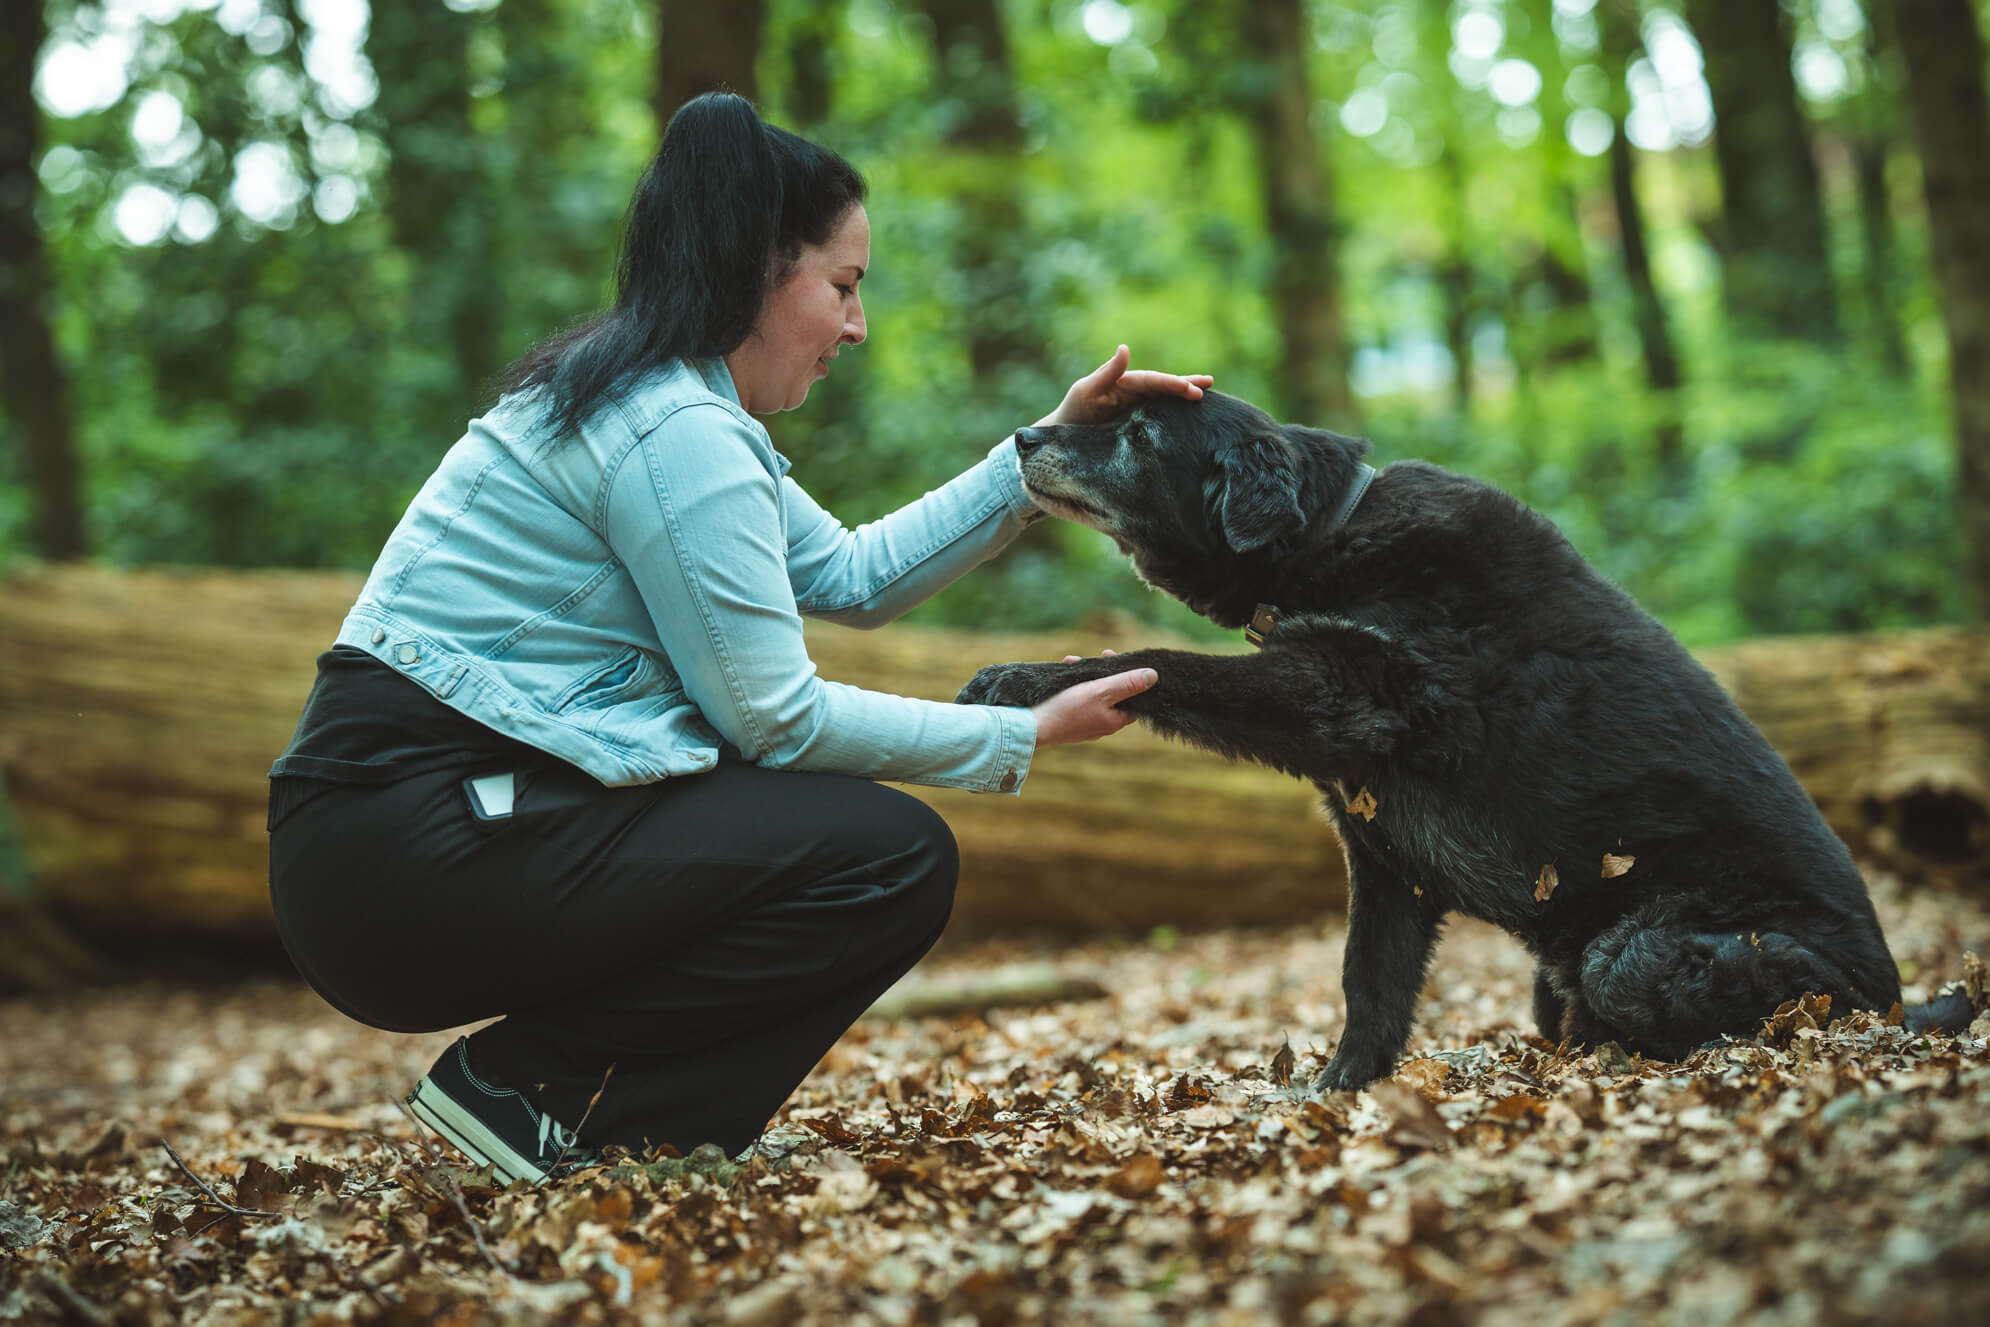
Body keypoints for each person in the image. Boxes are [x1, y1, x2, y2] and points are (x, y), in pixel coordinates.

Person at [265, 91, 1210, 1184]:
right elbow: (771, 715)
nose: (856, 327)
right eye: (843, 288)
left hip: (406, 841)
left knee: (847, 841)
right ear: (759, 266)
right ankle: (548, 1094)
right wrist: (1015, 733)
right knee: (884, 857)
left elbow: (853, 575)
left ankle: (603, 1133)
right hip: (411, 848)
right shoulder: (674, 428)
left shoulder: (659, 402)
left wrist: (1041, 457)